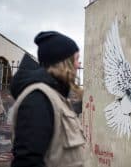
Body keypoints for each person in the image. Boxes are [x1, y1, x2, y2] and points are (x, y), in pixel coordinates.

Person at [9, 31, 86, 167]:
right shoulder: (38, 98)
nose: (78, 65)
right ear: (64, 63)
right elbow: (28, 162)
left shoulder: (57, 97)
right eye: (76, 59)